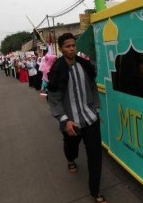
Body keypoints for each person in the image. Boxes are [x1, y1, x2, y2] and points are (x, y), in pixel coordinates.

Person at [47, 33, 107, 203]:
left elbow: (93, 88)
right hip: (71, 123)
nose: (72, 48)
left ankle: (95, 192)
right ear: (61, 48)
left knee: (95, 155)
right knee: (71, 148)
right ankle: (71, 159)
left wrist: (95, 110)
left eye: (73, 45)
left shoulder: (85, 66)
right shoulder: (57, 71)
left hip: (90, 118)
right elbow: (54, 99)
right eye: (68, 46)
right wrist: (64, 120)